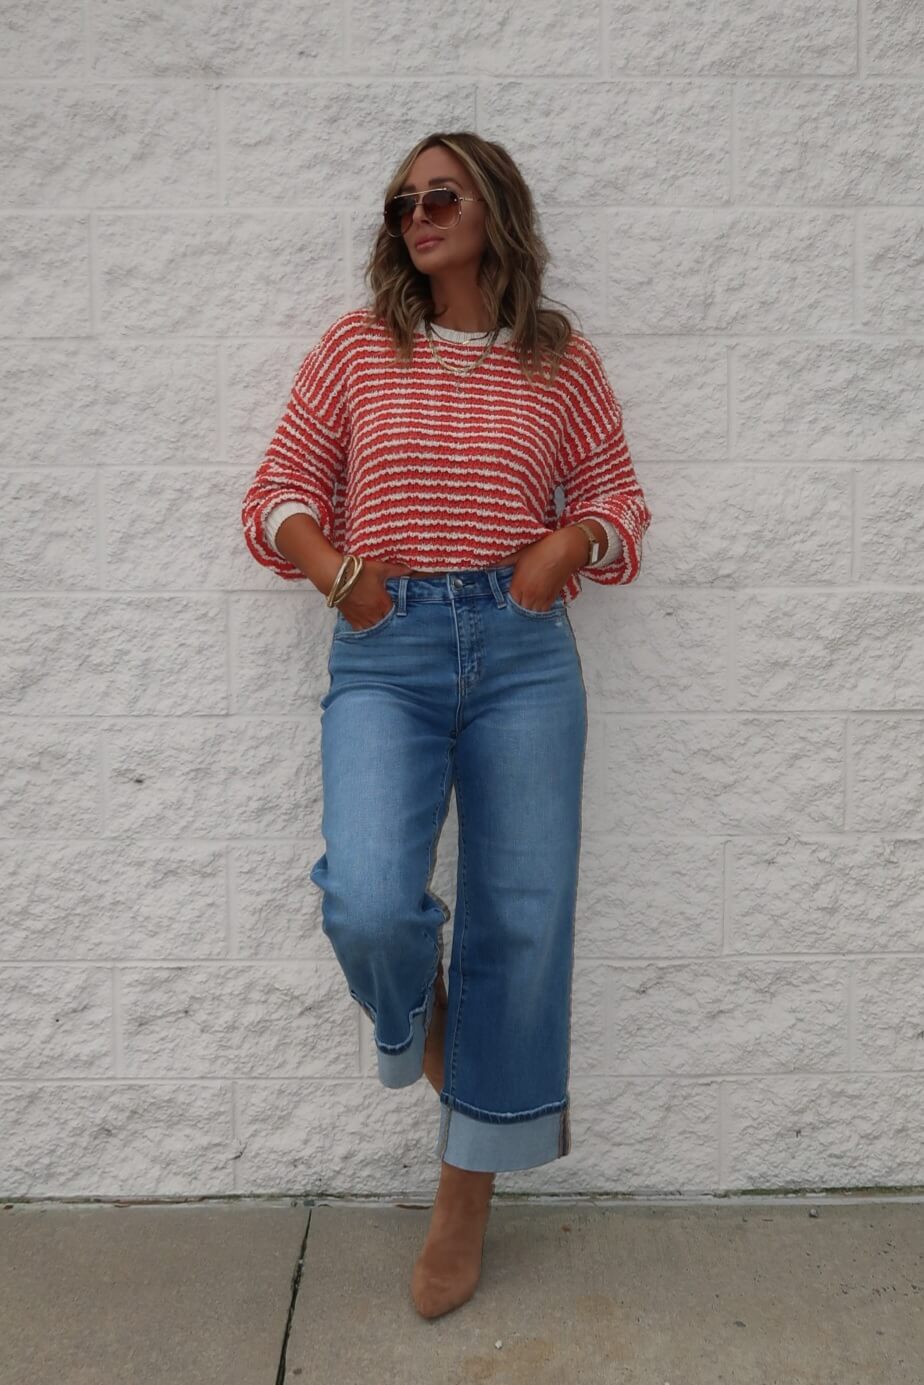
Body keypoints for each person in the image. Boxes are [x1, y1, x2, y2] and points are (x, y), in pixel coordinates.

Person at [240, 130, 652, 1320]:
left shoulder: (560, 359)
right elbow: (274, 493)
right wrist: (341, 574)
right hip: (390, 645)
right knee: (370, 901)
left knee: (520, 918)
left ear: (492, 209)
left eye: (441, 195)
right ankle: (447, 1059)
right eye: (402, 203)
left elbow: (622, 502)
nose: (418, 216)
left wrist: (565, 544)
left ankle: (465, 1192)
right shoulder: (357, 348)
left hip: (524, 654)